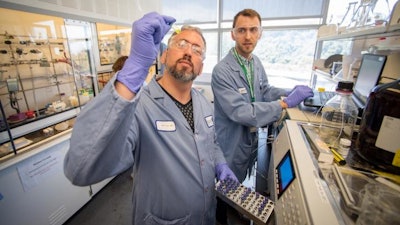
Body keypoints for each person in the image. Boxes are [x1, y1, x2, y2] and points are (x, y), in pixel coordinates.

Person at [64, 12, 237, 225]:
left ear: (201, 67)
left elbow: (212, 142)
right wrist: (135, 67)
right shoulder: (137, 106)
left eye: (197, 49)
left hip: (205, 216)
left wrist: (220, 164)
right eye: (181, 43)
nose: (188, 52)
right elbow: (81, 168)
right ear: (163, 56)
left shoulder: (203, 103)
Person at [211, 8, 313, 224]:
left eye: (253, 30)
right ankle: (219, 216)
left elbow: (264, 90)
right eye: (242, 30)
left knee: (236, 183)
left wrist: (288, 91)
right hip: (230, 142)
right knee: (222, 185)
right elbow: (241, 112)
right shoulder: (222, 70)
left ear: (260, 33)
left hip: (247, 140)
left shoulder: (254, 62)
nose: (247, 36)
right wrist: (283, 104)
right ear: (233, 34)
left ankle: (231, 206)